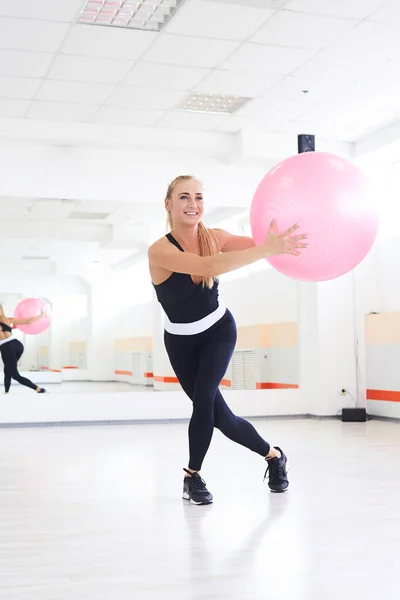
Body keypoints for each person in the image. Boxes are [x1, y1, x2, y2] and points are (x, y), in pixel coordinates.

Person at [148, 175, 308, 505]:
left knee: (204, 398)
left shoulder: (216, 236)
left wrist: (281, 241)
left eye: (199, 197)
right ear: (168, 204)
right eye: (184, 197)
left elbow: (260, 243)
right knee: (221, 417)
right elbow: (209, 265)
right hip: (180, 342)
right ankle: (274, 456)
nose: (193, 204)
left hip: (219, 331)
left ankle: (192, 477)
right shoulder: (160, 251)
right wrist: (266, 249)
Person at [0, 304, 48, 394]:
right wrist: (41, 315)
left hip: (7, 347)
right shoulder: (8, 320)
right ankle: (6, 392)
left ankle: (38, 389)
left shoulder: (8, 321)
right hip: (17, 345)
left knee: (14, 374)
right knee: (8, 369)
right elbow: (28, 321)